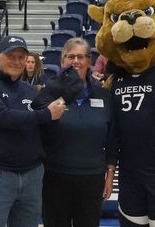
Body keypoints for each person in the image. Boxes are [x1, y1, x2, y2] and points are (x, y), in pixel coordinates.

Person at [0, 35, 66, 227]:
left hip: (32, 174)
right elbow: (3, 117)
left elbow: (49, 128)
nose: (16, 61)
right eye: (10, 56)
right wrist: (47, 115)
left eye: (21, 57)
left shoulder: (32, 92)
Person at [40, 37, 119, 227]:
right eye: (71, 56)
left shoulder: (104, 95)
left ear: (89, 61)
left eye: (81, 57)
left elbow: (112, 140)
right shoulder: (48, 94)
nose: (76, 61)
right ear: (62, 61)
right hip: (55, 176)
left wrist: (110, 175)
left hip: (92, 178)